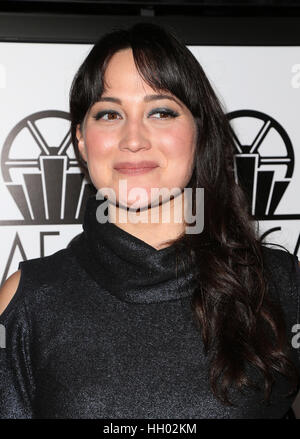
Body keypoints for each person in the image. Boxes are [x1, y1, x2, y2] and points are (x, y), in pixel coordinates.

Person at [0, 22, 300, 419]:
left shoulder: (279, 285)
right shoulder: (28, 299)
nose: (134, 138)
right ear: (80, 141)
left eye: (161, 111)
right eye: (109, 114)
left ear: (199, 132)